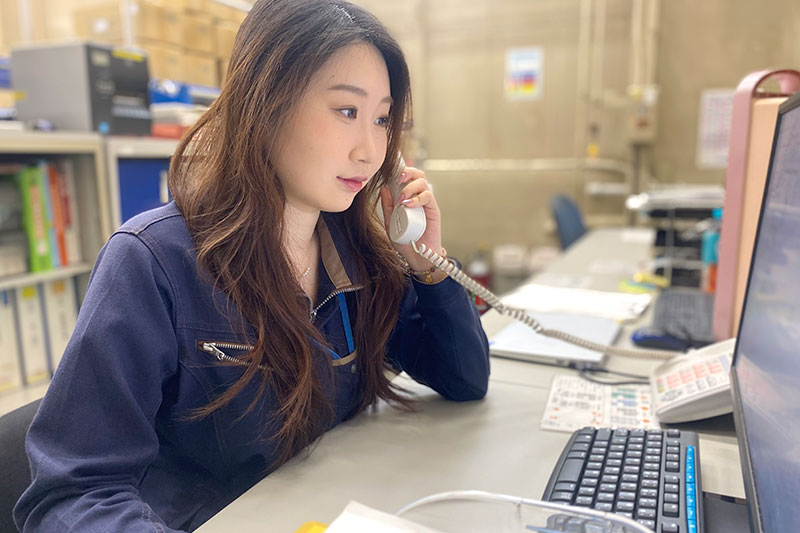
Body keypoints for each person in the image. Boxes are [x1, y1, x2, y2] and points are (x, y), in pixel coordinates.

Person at [13, 0, 490, 531]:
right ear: (266, 104)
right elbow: (72, 494)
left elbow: (464, 380)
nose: (371, 151)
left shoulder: (357, 256)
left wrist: (427, 264)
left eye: (381, 119)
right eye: (346, 111)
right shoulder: (153, 262)